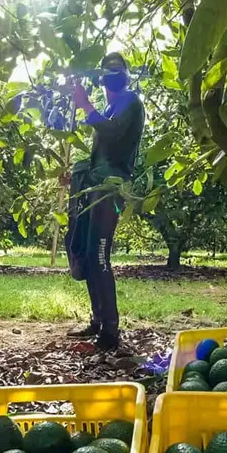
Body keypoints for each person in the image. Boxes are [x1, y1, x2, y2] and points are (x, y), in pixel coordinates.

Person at [63, 52, 145, 351]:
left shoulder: (131, 103)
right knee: (85, 252)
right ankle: (97, 320)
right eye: (108, 74)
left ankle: (110, 332)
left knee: (99, 257)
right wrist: (74, 176)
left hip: (110, 189)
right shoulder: (112, 105)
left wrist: (85, 104)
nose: (112, 80)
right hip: (94, 186)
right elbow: (99, 156)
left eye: (117, 74)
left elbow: (111, 133)